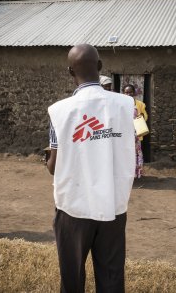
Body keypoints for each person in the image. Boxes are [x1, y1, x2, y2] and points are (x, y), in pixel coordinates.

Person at [46, 44, 135, 293]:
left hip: (74, 208)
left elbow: (54, 166)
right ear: (99, 67)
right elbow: (130, 147)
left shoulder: (59, 111)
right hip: (114, 206)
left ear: (69, 71)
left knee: (72, 277)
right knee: (111, 276)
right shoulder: (127, 106)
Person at [123, 84, 148, 178]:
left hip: (136, 133)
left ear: (134, 93)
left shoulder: (140, 104)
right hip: (125, 134)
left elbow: (145, 116)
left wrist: (141, 115)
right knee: (126, 153)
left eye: (130, 92)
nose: (129, 94)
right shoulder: (121, 104)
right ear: (123, 93)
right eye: (126, 92)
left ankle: (137, 173)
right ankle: (128, 174)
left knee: (136, 153)